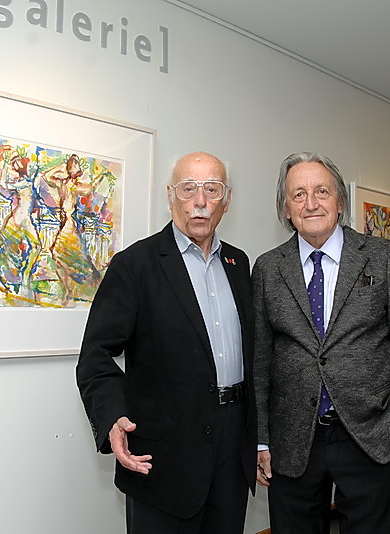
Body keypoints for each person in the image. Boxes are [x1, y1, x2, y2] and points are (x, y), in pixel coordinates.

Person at [76, 152, 257, 534]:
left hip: (232, 448)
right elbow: (95, 354)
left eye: (212, 189)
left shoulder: (239, 264)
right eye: (188, 189)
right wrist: (112, 417)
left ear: (227, 200)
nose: (200, 201)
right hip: (164, 456)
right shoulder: (135, 265)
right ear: (171, 195)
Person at [254, 152, 390, 534]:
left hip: (373, 434)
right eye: (298, 194)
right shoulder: (267, 268)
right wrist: (261, 439)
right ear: (286, 208)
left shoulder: (381, 256)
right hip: (292, 439)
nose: (311, 203)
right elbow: (260, 360)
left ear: (340, 201)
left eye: (321, 191)